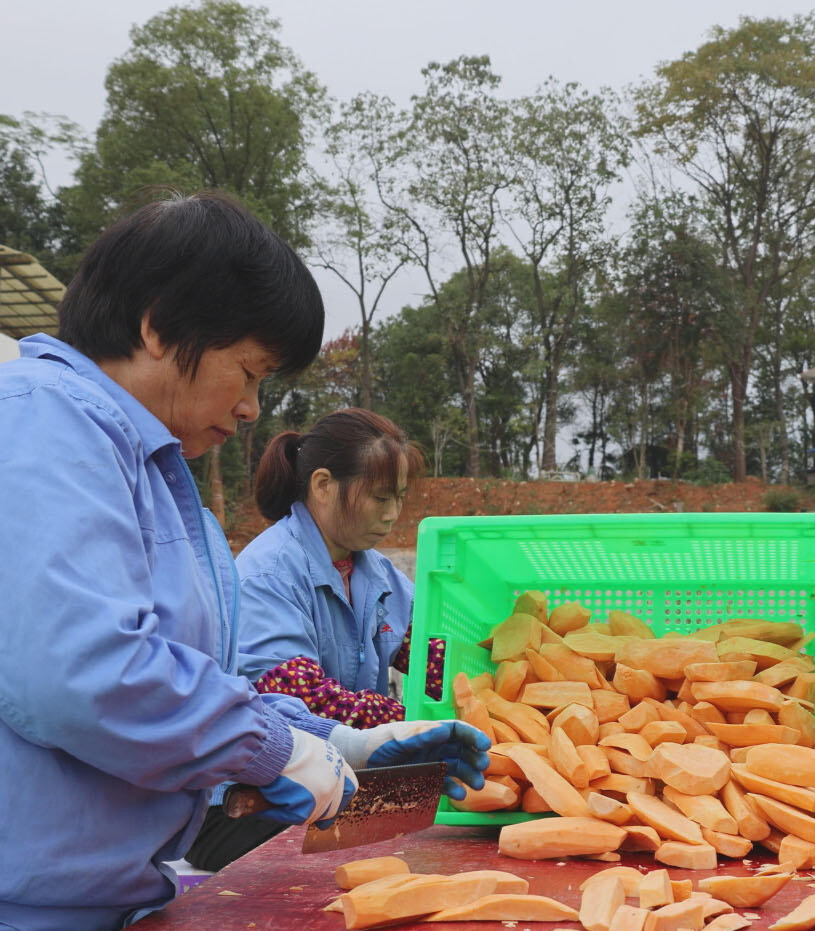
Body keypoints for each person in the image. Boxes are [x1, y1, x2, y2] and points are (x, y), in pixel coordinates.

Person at [0, 190, 489, 931]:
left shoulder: (152, 469)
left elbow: (193, 676)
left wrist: (339, 740)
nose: (254, 408)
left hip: (112, 894)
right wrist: (272, 748)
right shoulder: (43, 421)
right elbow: (81, 670)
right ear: (158, 327)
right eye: (250, 371)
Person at [186, 408, 442, 869]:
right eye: (380, 497)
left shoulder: (376, 570)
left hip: (339, 776)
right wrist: (421, 725)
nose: (392, 515)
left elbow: (430, 654)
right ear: (323, 485)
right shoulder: (269, 573)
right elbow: (309, 704)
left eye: (399, 498)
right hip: (254, 801)